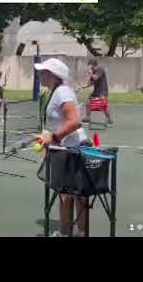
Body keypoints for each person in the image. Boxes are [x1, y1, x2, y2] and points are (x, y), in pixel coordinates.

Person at [34, 58, 89, 237]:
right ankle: (72, 232)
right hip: (66, 149)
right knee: (69, 194)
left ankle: (74, 233)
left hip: (74, 149)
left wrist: (54, 137)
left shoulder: (62, 91)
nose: (40, 74)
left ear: (53, 75)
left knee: (72, 195)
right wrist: (46, 138)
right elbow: (57, 123)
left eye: (44, 72)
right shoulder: (54, 92)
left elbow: (75, 121)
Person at [77, 59, 113, 126]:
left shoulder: (100, 69)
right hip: (96, 92)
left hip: (102, 92)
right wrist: (81, 87)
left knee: (103, 106)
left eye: (89, 66)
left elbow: (95, 78)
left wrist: (90, 73)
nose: (88, 67)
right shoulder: (93, 72)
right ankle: (87, 118)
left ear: (93, 65)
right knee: (88, 102)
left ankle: (109, 119)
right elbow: (90, 83)